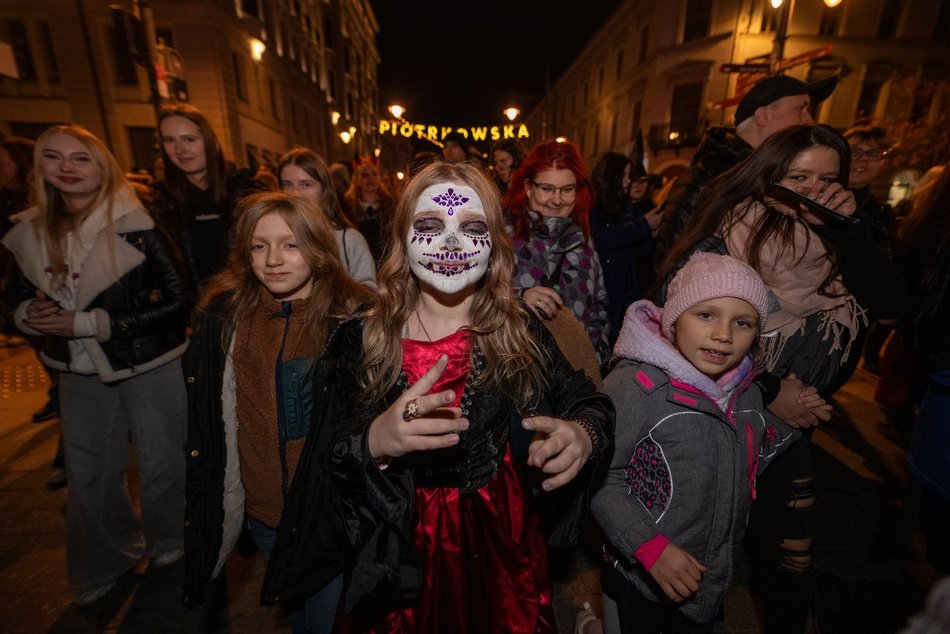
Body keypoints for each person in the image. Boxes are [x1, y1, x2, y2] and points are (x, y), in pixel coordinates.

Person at [263, 161, 614, 632]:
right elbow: (330, 461)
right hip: (399, 546)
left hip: (500, 544)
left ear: (494, 245)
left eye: (471, 227)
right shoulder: (363, 339)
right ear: (402, 240)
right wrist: (375, 441)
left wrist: (582, 435)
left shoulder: (519, 331)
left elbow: (588, 400)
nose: (451, 242)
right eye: (430, 226)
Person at [658, 124, 907, 633]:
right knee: (700, 557)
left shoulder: (839, 238)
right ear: (769, 175)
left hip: (792, 431)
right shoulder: (726, 237)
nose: (813, 190)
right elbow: (673, 337)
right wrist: (771, 390)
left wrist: (852, 228)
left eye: (827, 178)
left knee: (791, 555)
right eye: (798, 176)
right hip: (723, 422)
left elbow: (893, 305)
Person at [2, 124, 194, 605]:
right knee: (89, 471)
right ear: (39, 166)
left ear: (102, 166)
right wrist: (31, 315)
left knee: (162, 462)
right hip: (75, 369)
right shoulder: (28, 231)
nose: (66, 166)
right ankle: (105, 559)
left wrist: (94, 323)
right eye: (54, 155)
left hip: (147, 361)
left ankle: (171, 540)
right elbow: (14, 300)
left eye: (80, 157)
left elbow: (180, 298)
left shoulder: (140, 226)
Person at [183, 191, 373, 631]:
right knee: (300, 616)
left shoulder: (352, 318)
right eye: (259, 245)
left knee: (327, 620)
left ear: (319, 250)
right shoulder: (226, 318)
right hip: (265, 513)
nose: (273, 259)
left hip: (327, 516)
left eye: (291, 244)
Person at [593, 253, 804, 633]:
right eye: (706, 315)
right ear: (674, 321)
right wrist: (649, 547)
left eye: (743, 323)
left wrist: (788, 429)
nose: (723, 335)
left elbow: (739, 456)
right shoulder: (636, 389)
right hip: (642, 573)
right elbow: (601, 480)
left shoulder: (747, 393)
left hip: (710, 571)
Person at [654, 74, 838, 268]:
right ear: (763, 115)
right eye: (801, 108)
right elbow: (673, 262)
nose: (810, 120)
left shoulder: (761, 175)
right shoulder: (713, 178)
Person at [506, 139, 611, 364]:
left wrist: (596, 358)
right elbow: (474, 297)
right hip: (516, 374)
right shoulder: (502, 234)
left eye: (567, 189)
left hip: (576, 378)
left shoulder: (582, 237)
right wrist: (519, 297)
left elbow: (599, 304)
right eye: (546, 188)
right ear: (527, 187)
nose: (556, 199)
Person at [152, 103, 260, 288]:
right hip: (191, 310)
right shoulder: (161, 204)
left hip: (248, 302)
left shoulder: (247, 192)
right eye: (169, 140)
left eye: (189, 139)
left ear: (212, 143)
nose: (179, 149)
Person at [278, 147, 377, 288]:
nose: (294, 193)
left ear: (324, 190)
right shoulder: (270, 239)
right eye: (287, 184)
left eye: (305, 184)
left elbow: (369, 297)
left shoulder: (348, 240)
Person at [589, 152, 661, 344]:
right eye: (625, 175)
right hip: (606, 293)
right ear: (612, 176)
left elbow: (642, 252)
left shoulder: (628, 209)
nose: (629, 181)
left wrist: (652, 234)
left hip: (628, 294)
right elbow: (603, 239)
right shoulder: (593, 208)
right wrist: (644, 226)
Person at [342, 156, 396, 262]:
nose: (370, 178)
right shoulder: (348, 207)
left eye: (374, 174)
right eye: (364, 175)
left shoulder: (391, 203)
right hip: (359, 259)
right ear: (356, 180)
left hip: (387, 259)